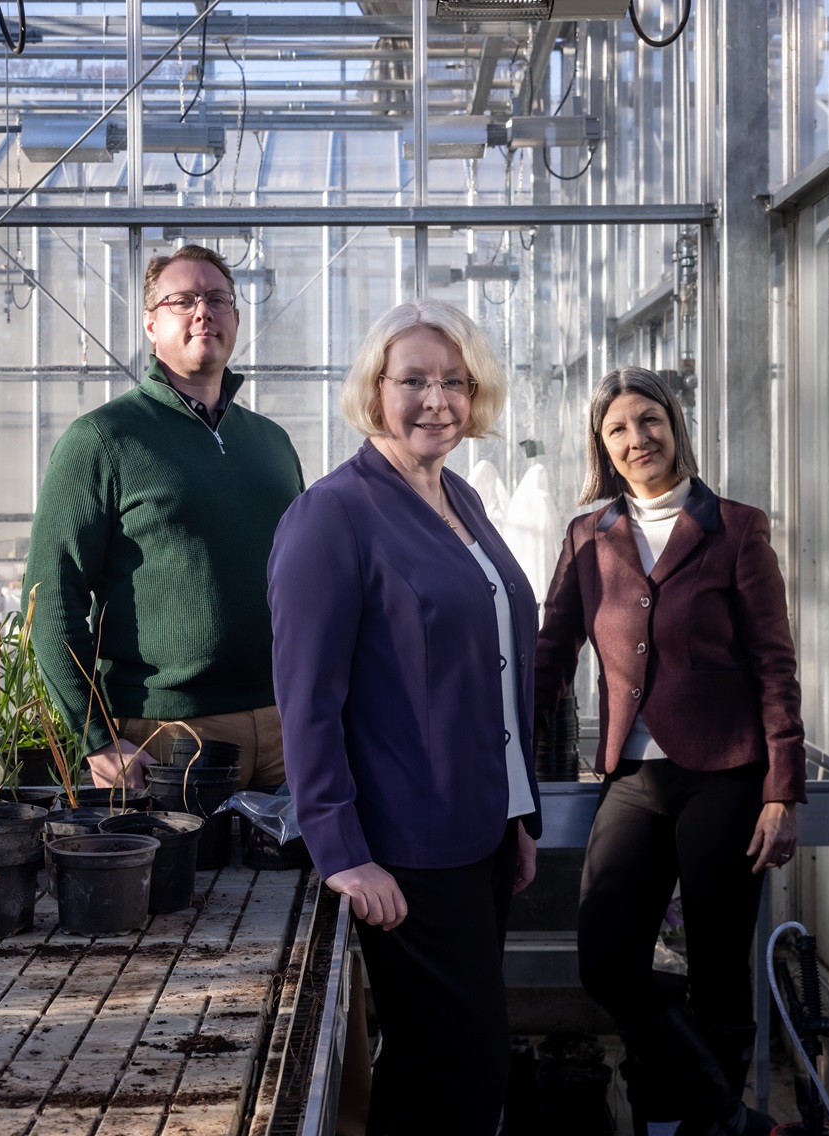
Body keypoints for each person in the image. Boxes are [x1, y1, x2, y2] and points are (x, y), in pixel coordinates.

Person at [268, 299, 542, 1136]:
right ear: (374, 389)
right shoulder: (334, 514)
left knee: (437, 1066)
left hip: (482, 834)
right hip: (407, 850)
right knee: (463, 1067)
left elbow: (491, 663)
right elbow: (307, 699)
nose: (437, 401)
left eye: (454, 382)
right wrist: (341, 852)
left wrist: (517, 815)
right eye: (413, 380)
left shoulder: (457, 494)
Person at [534, 367, 801, 1136]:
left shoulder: (737, 529)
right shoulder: (589, 536)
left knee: (719, 970)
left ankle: (694, 1125)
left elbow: (774, 664)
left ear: (675, 426)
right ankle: (723, 1113)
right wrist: (511, 764)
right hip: (634, 779)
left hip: (726, 774)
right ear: (602, 446)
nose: (636, 438)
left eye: (649, 420)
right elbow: (551, 657)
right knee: (607, 957)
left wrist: (782, 788)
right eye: (618, 428)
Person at [25, 244, 303, 794]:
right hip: (169, 736)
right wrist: (98, 739)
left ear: (237, 319)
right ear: (152, 325)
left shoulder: (271, 442)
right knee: (184, 882)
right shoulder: (104, 439)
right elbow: (50, 598)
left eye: (218, 299)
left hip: (288, 724)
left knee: (302, 881)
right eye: (183, 300)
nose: (204, 311)